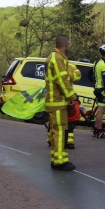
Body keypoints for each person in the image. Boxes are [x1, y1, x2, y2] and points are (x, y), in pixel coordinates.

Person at [45, 35, 77, 171]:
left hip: (55, 101)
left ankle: (57, 158)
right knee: (59, 131)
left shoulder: (53, 57)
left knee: (56, 131)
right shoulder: (57, 58)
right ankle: (59, 162)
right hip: (57, 102)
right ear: (66, 45)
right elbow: (62, 79)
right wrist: (72, 96)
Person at [66, 60, 82, 150]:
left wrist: (67, 75)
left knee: (68, 120)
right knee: (69, 120)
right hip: (66, 96)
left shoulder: (71, 65)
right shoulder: (71, 66)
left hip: (63, 96)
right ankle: (69, 142)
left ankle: (69, 141)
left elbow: (77, 77)